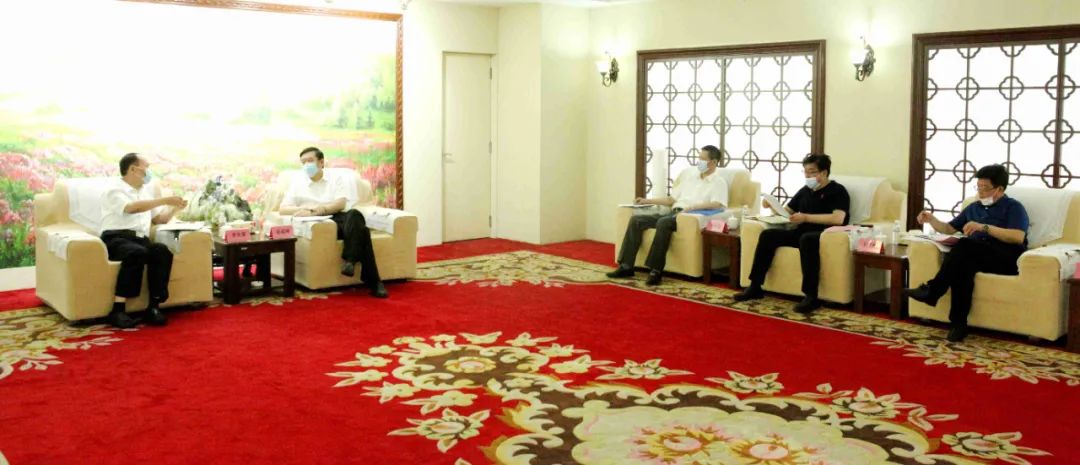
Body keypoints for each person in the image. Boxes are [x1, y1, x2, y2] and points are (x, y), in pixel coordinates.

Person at [905, 164, 1029, 342]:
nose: (980, 192)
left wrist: (984, 227)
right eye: (978, 187)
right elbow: (948, 228)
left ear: (1000, 189)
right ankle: (958, 324)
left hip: (1006, 257)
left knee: (964, 246)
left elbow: (1017, 237)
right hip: (978, 255)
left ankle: (933, 291)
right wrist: (931, 219)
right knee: (963, 267)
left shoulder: (1014, 207)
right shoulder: (973, 208)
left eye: (985, 188)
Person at [733, 153, 850, 313]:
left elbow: (838, 218)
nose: (807, 176)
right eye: (805, 172)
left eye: (812, 172)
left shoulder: (837, 191)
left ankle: (811, 296)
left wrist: (806, 217)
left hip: (824, 235)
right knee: (768, 235)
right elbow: (787, 212)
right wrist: (772, 206)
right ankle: (755, 286)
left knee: (807, 239)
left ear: (824, 172)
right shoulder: (805, 191)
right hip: (801, 232)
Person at [607, 145, 728, 286]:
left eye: (702, 159)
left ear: (713, 162)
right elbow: (671, 200)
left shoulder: (718, 182)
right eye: (699, 158)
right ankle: (626, 266)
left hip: (687, 216)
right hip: (673, 212)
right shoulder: (691, 178)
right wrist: (646, 201)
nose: (698, 161)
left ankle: (655, 271)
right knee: (637, 220)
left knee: (663, 222)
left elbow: (717, 204)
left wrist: (692, 207)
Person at [278, 147, 388, 298]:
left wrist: (319, 209)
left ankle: (350, 261)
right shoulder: (297, 182)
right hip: (317, 223)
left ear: (321, 162)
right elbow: (283, 209)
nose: (306, 165)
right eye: (303, 162)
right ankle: (373, 280)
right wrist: (305, 209)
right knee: (363, 232)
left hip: (337, 217)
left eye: (310, 161)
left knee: (355, 215)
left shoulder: (336, 178)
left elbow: (341, 203)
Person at [100, 153, 187, 328]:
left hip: (141, 239)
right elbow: (131, 208)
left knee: (161, 251)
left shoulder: (144, 193)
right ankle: (118, 310)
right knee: (136, 253)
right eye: (146, 167)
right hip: (116, 237)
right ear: (133, 169)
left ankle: (153, 307)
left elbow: (159, 220)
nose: (149, 172)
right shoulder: (115, 190)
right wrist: (164, 199)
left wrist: (174, 209)